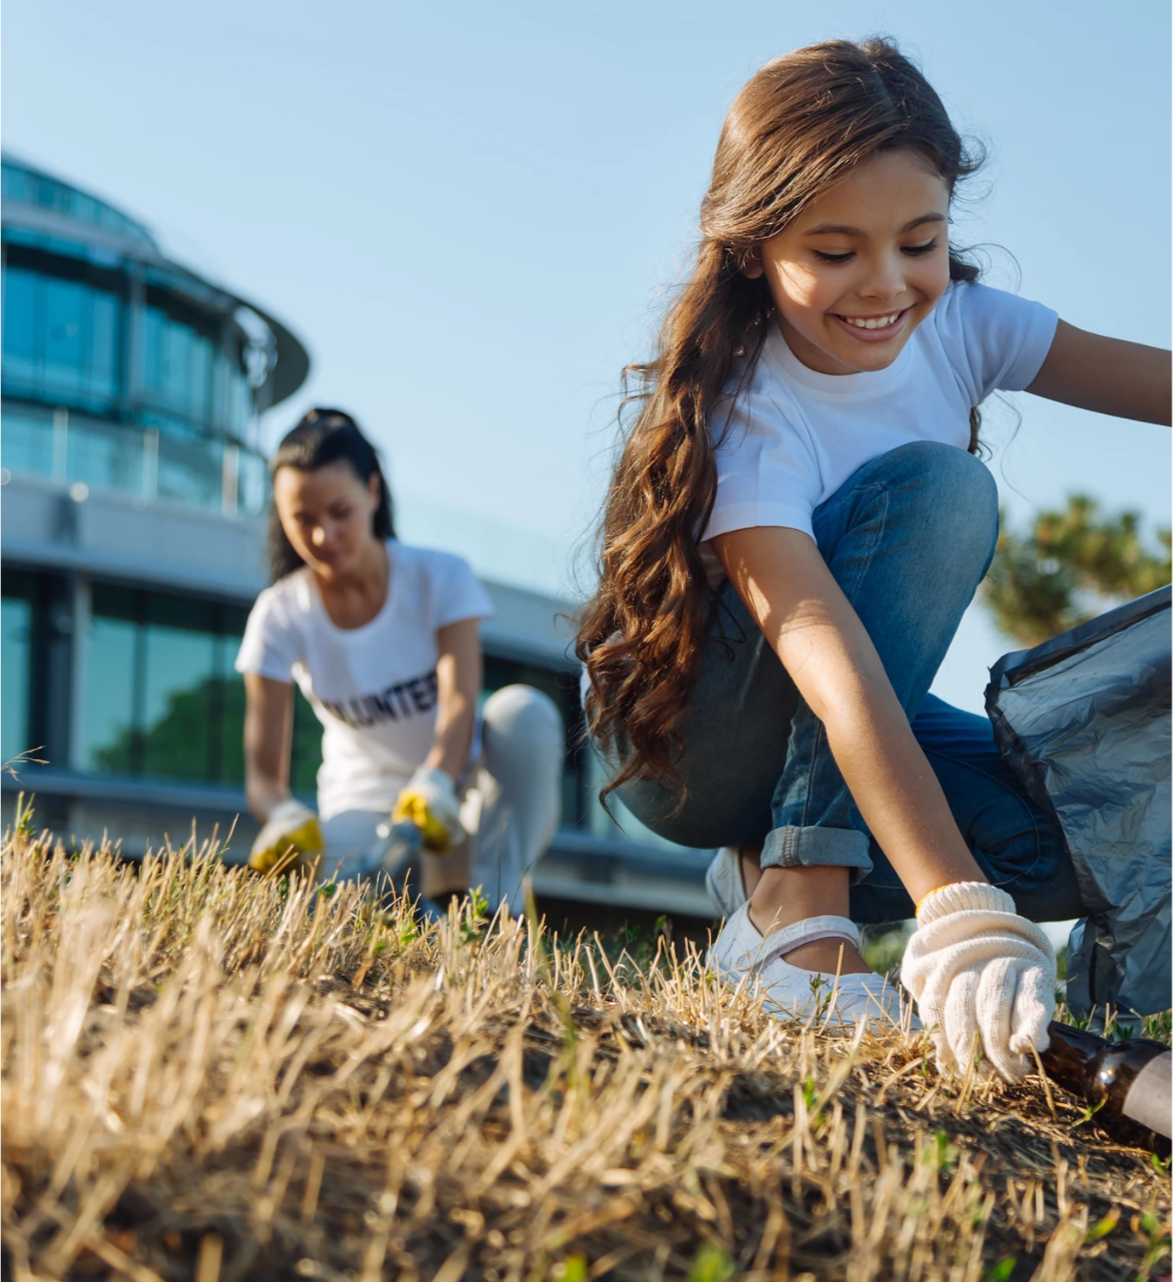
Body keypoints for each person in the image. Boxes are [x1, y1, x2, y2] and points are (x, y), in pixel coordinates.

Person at [576, 39, 1170, 1084]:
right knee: (943, 493)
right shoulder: (751, 412)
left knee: (1076, 832)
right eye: (836, 250)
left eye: (921, 241)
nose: (887, 285)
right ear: (756, 246)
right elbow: (837, 674)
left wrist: (980, 893)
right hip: (685, 740)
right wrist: (953, 903)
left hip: (828, 725)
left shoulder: (965, 326)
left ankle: (773, 869)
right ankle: (799, 900)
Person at [236, 408, 565, 912]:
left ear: (372, 492)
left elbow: (459, 703)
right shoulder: (278, 615)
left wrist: (434, 781)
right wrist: (281, 814)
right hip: (363, 808)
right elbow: (263, 778)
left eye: (339, 512)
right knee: (339, 910)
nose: (323, 536)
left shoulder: (440, 577)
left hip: (463, 794)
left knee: (525, 713)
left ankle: (495, 917)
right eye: (302, 519)